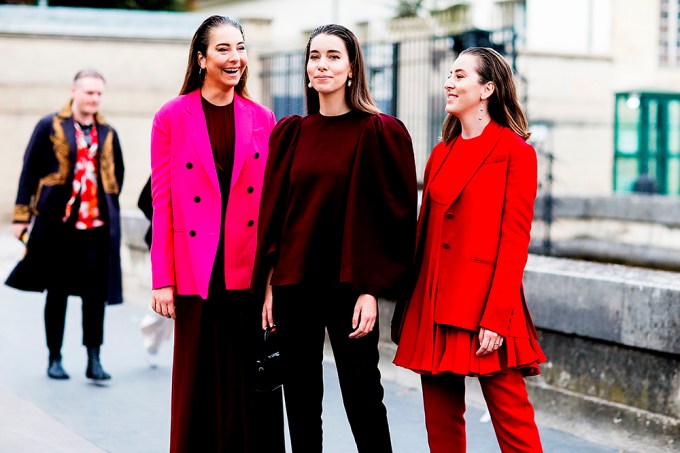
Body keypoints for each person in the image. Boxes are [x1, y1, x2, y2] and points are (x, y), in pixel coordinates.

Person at [254, 24, 418, 453]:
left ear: (351, 68)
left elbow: (395, 219)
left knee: (364, 398)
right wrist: (271, 282)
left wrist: (372, 291)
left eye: (332, 56)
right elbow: (276, 215)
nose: (321, 65)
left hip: (349, 287)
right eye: (314, 57)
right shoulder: (291, 133)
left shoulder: (381, 132)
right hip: (293, 285)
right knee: (302, 403)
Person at [392, 47, 547, 452]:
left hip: (487, 309)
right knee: (441, 431)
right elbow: (426, 234)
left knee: (514, 427)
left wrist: (496, 318)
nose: (449, 82)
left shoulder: (516, 153)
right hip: (434, 303)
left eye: (460, 76)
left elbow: (515, 242)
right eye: (449, 74)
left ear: (487, 89)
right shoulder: (441, 152)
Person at [149, 15, 284, 452]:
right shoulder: (172, 116)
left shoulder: (263, 117)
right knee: (197, 382)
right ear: (202, 57)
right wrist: (163, 279)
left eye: (240, 47)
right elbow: (163, 202)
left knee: (247, 381)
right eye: (224, 48)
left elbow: (274, 207)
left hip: (248, 268)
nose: (235, 57)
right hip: (194, 270)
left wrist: (271, 281)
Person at [6, 69, 124, 382]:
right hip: (59, 227)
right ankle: (54, 358)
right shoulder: (50, 126)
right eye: (89, 93)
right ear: (74, 92)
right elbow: (29, 171)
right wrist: (21, 217)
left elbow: (117, 176)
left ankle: (94, 358)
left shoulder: (108, 131)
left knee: (95, 295)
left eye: (99, 94)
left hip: (97, 228)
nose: (94, 99)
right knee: (56, 293)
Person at [137, 176, 173, 366]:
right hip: (166, 244)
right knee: (163, 304)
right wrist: (164, 220)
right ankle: (150, 339)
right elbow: (144, 201)